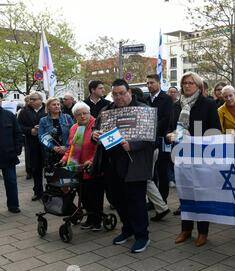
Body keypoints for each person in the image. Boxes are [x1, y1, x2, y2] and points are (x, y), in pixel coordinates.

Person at [92, 79, 155, 253]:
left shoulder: (144, 110)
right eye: (115, 94)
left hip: (134, 163)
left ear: (130, 93)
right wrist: (94, 135)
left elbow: (151, 138)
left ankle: (142, 235)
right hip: (111, 163)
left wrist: (133, 146)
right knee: (117, 199)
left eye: (122, 93)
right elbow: (95, 131)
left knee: (136, 201)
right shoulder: (106, 111)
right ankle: (127, 229)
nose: (118, 97)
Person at [166, 72, 221, 247]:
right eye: (184, 83)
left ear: (198, 85)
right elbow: (169, 128)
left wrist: (197, 137)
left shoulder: (208, 104)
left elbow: (216, 131)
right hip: (181, 156)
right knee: (185, 193)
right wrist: (169, 135)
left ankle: (203, 231)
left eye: (190, 83)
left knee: (202, 193)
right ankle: (186, 229)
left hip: (202, 156)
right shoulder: (176, 106)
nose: (187, 86)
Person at [60, 102, 103, 230]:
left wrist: (91, 160)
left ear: (90, 113)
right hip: (78, 167)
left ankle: (97, 220)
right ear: (75, 116)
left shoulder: (97, 125)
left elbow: (99, 148)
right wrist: (64, 158)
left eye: (85, 113)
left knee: (95, 195)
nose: (83, 116)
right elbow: (71, 147)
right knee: (83, 195)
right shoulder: (74, 128)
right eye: (79, 114)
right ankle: (90, 218)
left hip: (93, 166)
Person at [147, 74, 174, 204]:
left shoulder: (167, 99)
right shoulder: (147, 99)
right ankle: (154, 200)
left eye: (152, 83)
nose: (149, 85)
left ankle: (162, 200)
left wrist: (152, 128)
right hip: (149, 141)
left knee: (162, 171)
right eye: (148, 83)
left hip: (162, 139)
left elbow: (167, 118)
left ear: (158, 83)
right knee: (151, 173)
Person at [18, 92, 47, 201]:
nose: (31, 101)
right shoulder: (24, 112)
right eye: (31, 99)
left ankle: (50, 190)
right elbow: (19, 126)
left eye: (34, 99)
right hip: (32, 143)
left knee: (49, 168)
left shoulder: (47, 109)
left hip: (47, 144)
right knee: (36, 168)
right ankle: (38, 191)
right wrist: (30, 130)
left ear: (40, 100)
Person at [0, 93, 23, 213]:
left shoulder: (9, 115)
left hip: (8, 155)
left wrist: (17, 149)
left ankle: (13, 205)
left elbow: (18, 133)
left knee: (11, 182)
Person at [38, 97, 74, 167]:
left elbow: (73, 134)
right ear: (48, 107)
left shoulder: (67, 118)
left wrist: (66, 146)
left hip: (67, 152)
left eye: (58, 104)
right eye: (54, 104)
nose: (57, 106)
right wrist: (52, 147)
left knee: (66, 176)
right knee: (52, 176)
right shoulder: (43, 120)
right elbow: (41, 137)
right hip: (50, 154)